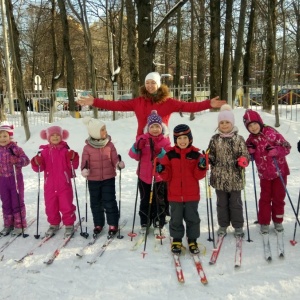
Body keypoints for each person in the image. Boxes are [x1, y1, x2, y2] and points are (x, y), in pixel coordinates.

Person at [77, 72, 226, 137]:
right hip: (143, 143)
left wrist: (208, 103)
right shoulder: (138, 102)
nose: (149, 85)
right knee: (145, 180)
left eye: (153, 82)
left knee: (162, 181)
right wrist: (95, 101)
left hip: (162, 144)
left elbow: (188, 107)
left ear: (159, 84)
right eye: (147, 83)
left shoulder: (168, 102)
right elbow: (116, 105)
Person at [156, 124, 206, 254]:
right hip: (175, 194)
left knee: (192, 218)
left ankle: (192, 240)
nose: (182, 141)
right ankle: (177, 239)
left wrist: (201, 167)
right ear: (175, 140)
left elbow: (198, 175)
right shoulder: (170, 155)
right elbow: (167, 176)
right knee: (176, 218)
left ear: (190, 139)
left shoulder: (196, 155)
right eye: (179, 138)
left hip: (192, 195)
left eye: (185, 138)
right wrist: (161, 170)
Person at [243, 109, 291, 234]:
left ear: (260, 122)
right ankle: (264, 221)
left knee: (278, 197)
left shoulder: (271, 132)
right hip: (264, 174)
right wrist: (250, 151)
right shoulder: (250, 139)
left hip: (279, 172)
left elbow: (287, 147)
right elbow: (247, 153)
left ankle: (278, 221)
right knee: (264, 198)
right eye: (249, 126)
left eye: (254, 124)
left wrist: (276, 150)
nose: (253, 127)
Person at [207, 104, 250, 238]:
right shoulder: (215, 139)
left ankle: (238, 226)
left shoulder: (239, 139)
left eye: (227, 122)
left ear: (232, 123)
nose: (224, 125)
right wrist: (207, 159)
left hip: (235, 178)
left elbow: (246, 154)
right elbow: (211, 154)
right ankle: (223, 225)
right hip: (219, 178)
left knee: (236, 204)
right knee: (222, 204)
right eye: (222, 123)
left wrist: (244, 160)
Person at [31, 126, 79, 238]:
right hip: (50, 186)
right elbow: (39, 168)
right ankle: (54, 223)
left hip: (64, 184)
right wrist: (36, 162)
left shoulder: (65, 151)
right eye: (52, 135)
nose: (55, 137)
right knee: (50, 206)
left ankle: (69, 224)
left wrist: (73, 158)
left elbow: (73, 166)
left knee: (66, 204)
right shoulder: (43, 152)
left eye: (57, 135)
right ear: (47, 137)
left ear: (62, 136)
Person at [81, 117, 125, 236]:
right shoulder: (87, 148)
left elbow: (115, 159)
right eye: (102, 130)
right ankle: (98, 223)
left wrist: (118, 164)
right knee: (95, 203)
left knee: (109, 201)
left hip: (108, 178)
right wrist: (84, 170)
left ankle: (113, 224)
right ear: (95, 132)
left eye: (105, 129)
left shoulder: (109, 145)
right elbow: (84, 162)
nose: (105, 131)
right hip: (93, 180)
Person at [129, 110, 170, 235]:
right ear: (148, 128)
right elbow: (133, 156)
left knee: (159, 200)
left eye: (157, 126)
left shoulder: (165, 141)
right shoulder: (143, 139)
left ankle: (159, 221)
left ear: (161, 128)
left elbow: (168, 159)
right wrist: (136, 147)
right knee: (145, 199)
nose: (155, 129)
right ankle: (145, 221)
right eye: (152, 127)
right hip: (144, 176)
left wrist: (160, 152)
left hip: (158, 177)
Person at [0, 124, 30, 236]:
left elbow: (26, 160)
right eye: (0, 136)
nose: (2, 139)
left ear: (10, 136)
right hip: (2, 180)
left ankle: (19, 224)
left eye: (4, 136)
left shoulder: (15, 149)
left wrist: (17, 160)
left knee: (16, 201)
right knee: (6, 202)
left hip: (15, 179)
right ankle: (8, 224)